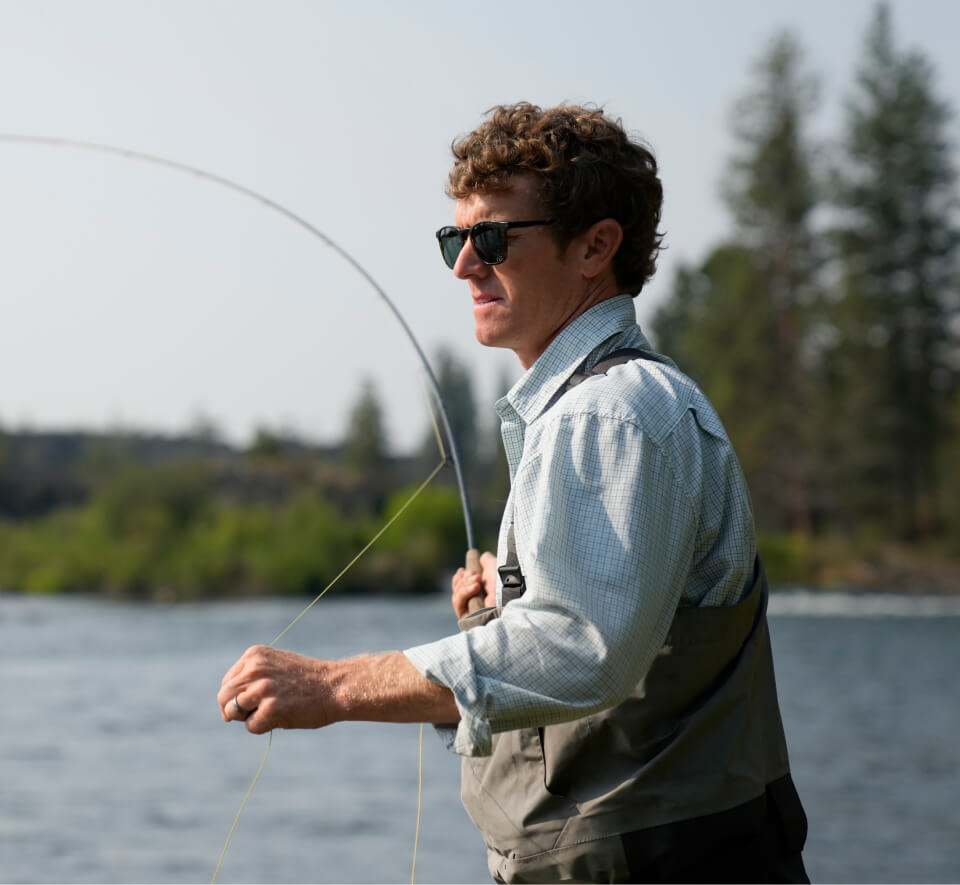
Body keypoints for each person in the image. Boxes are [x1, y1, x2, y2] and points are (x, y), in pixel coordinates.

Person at [218, 102, 809, 883]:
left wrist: (332, 686)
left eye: (492, 238)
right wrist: (496, 620)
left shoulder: (609, 411)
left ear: (597, 246)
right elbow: (601, 649)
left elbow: (579, 647)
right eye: (453, 240)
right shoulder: (610, 406)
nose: (464, 265)